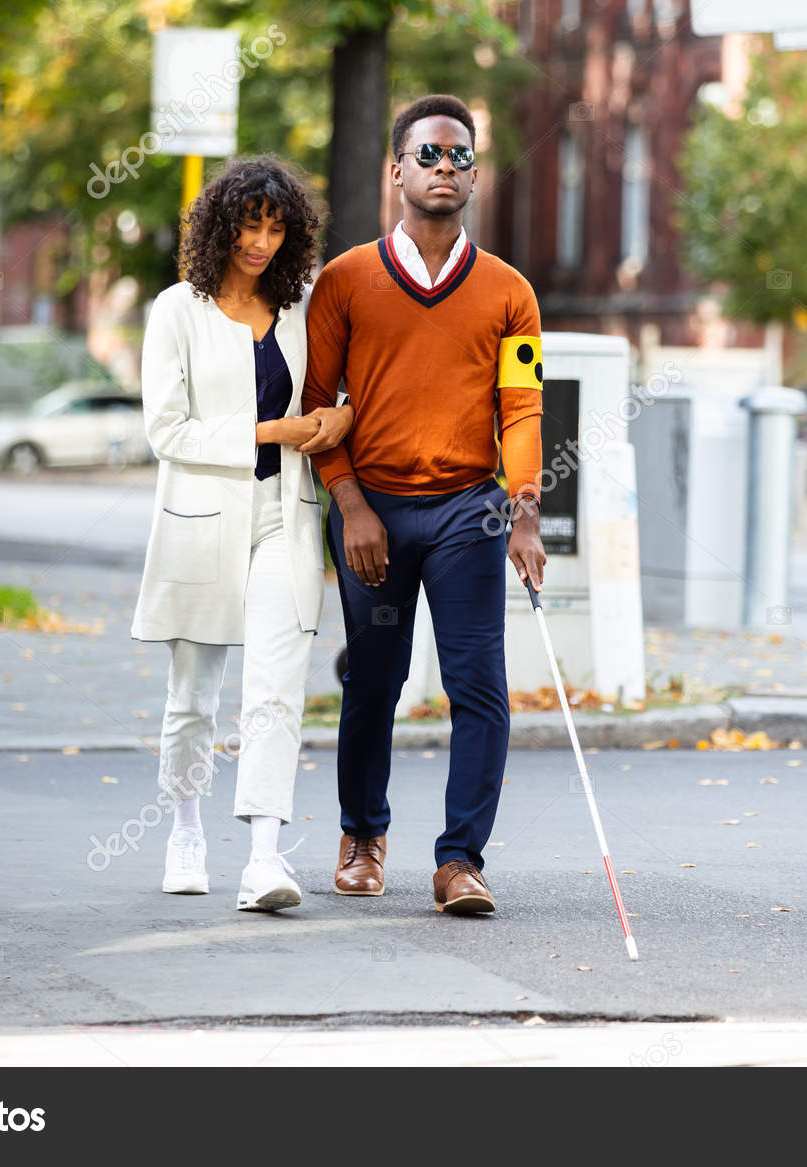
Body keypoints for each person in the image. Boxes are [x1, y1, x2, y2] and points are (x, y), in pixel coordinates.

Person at [301, 94, 546, 916]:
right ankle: (363, 836)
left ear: (476, 173)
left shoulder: (511, 292)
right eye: (430, 154)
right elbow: (316, 404)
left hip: (466, 511)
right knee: (375, 676)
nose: (446, 168)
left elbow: (520, 407)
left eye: (460, 156)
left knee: (480, 682)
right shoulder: (345, 281)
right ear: (396, 170)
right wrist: (349, 503)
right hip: (371, 507)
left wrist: (524, 512)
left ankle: (459, 861)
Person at [130, 155, 353, 911]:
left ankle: (263, 856)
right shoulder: (176, 311)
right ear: (221, 227)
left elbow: (339, 387)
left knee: (276, 689)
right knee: (194, 695)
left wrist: (335, 418)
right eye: (249, 226)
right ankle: (186, 830)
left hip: (284, 514)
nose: (260, 242)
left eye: (275, 227)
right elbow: (167, 430)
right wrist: (275, 428)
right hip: (202, 517)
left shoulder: (299, 307)